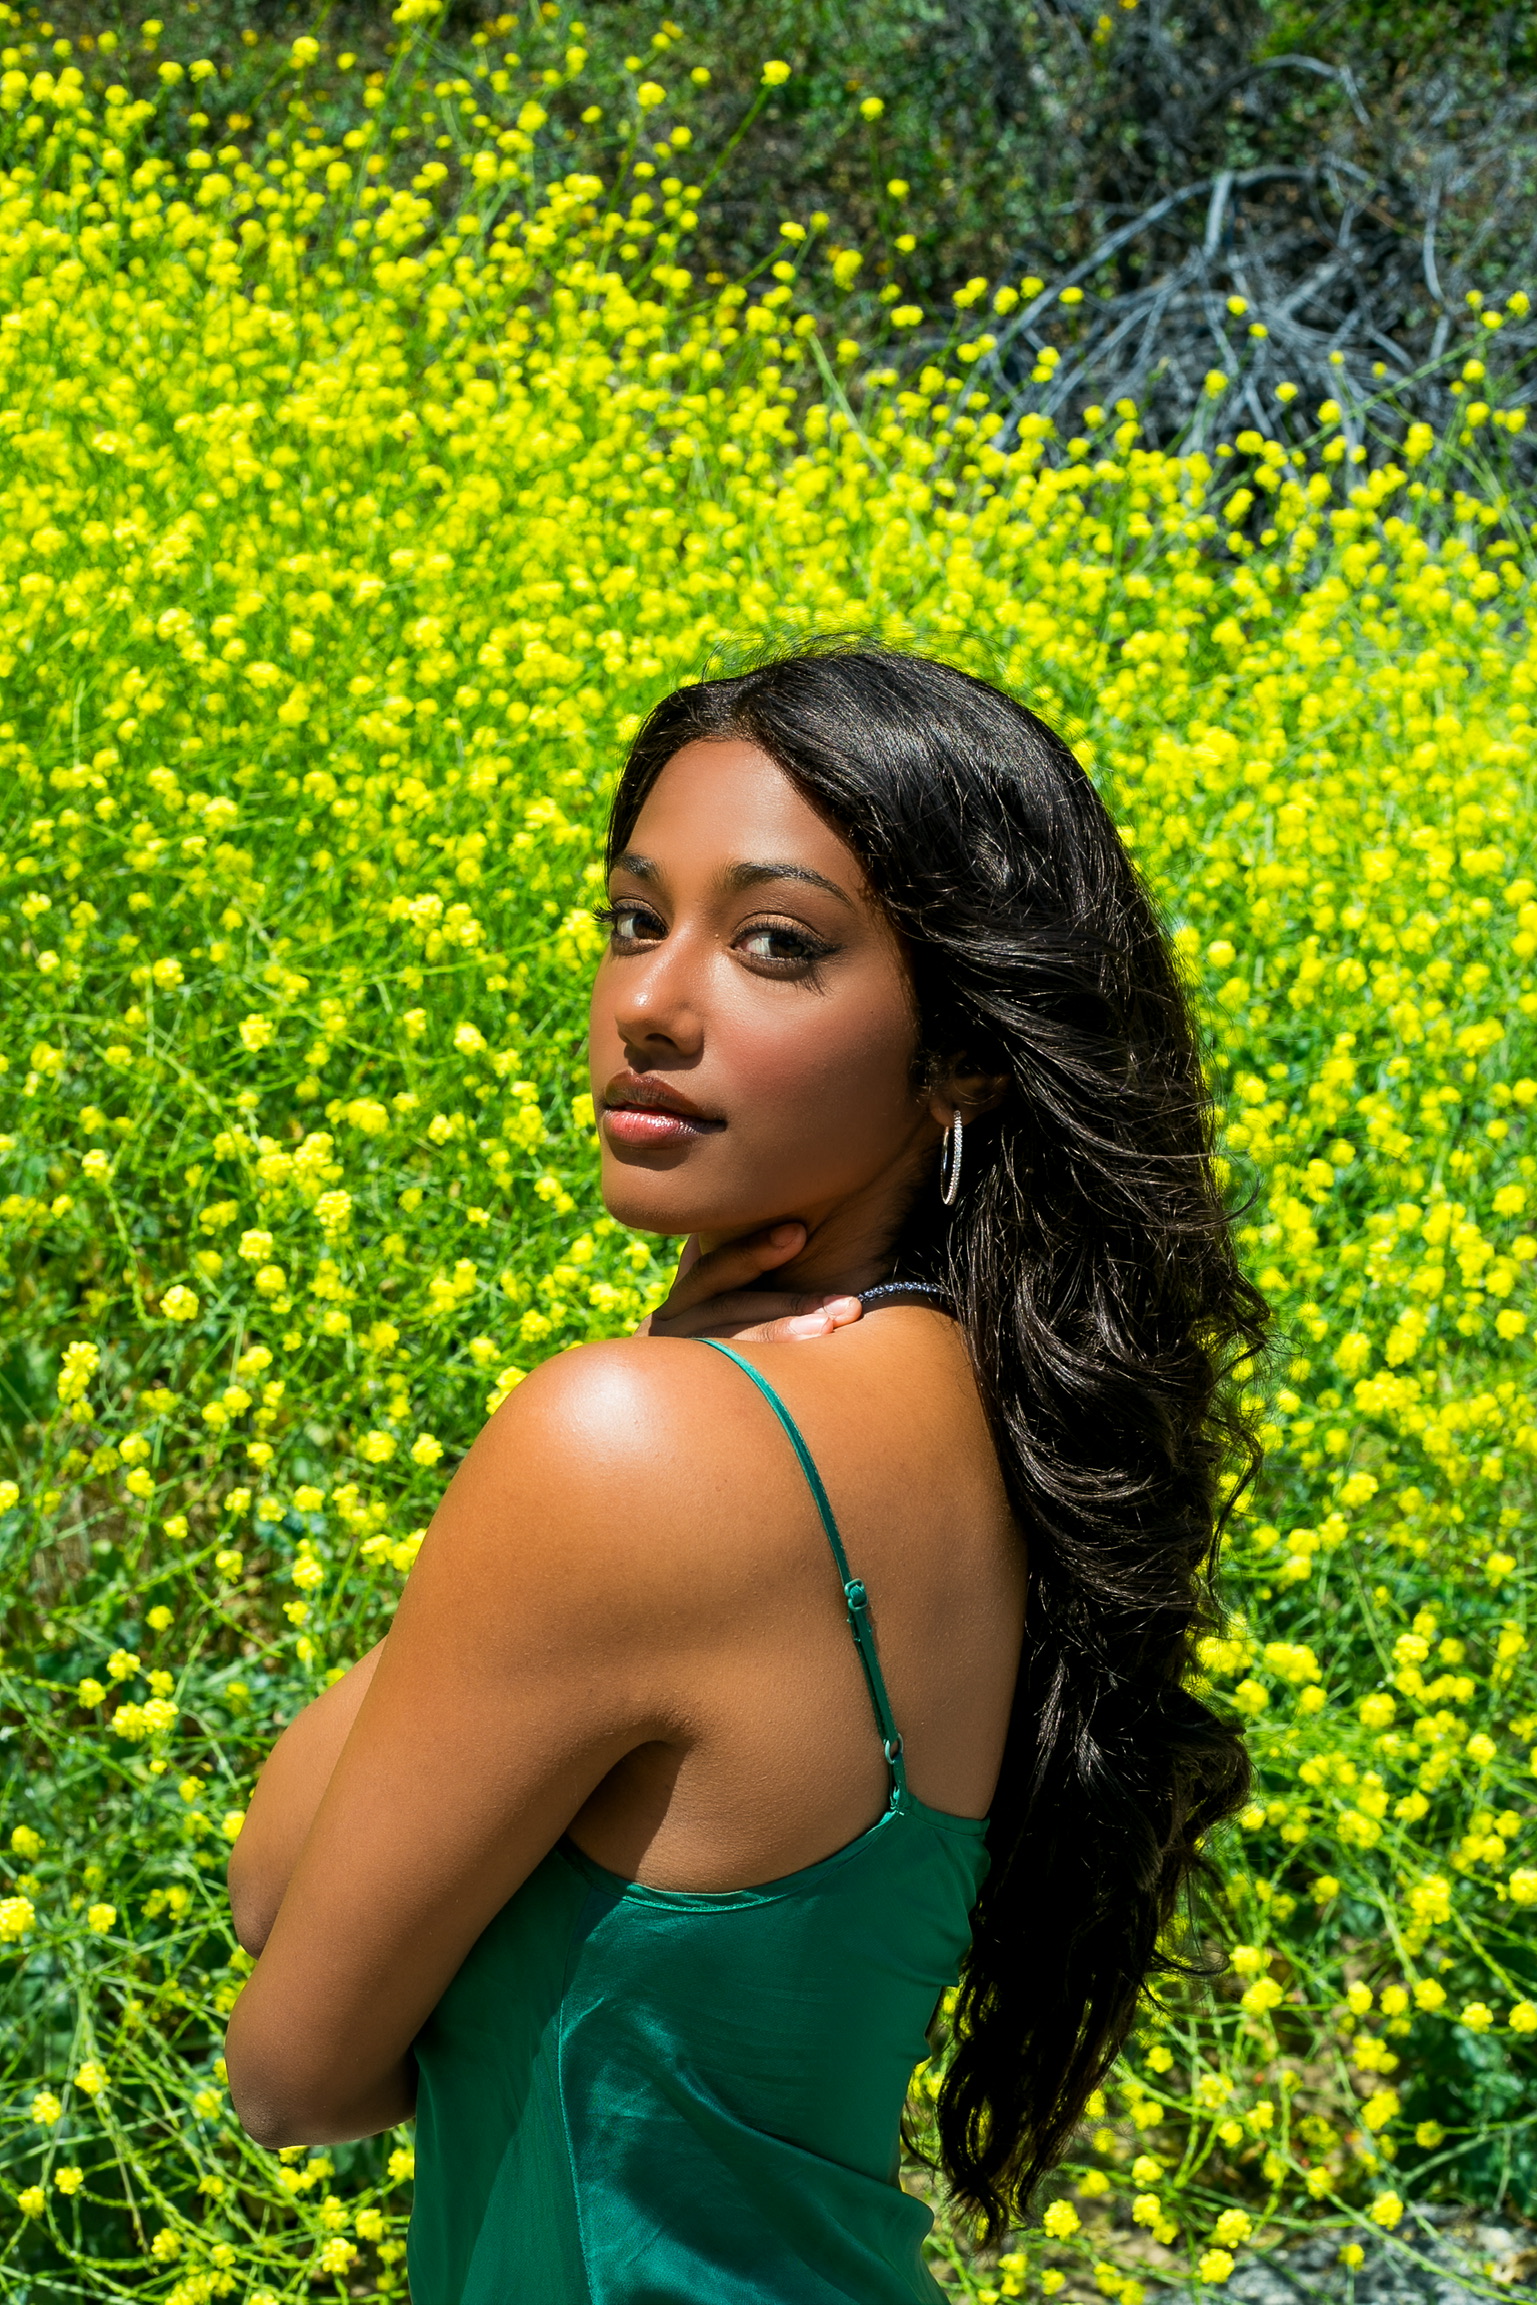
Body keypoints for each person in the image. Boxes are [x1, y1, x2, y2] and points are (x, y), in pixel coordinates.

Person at [225, 643, 1265, 2303]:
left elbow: (291, 2057)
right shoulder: (998, 1418)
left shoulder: (631, 1446)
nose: (649, 1002)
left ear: (965, 1047)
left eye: (776, 942)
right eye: (635, 919)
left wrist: (644, 1377)